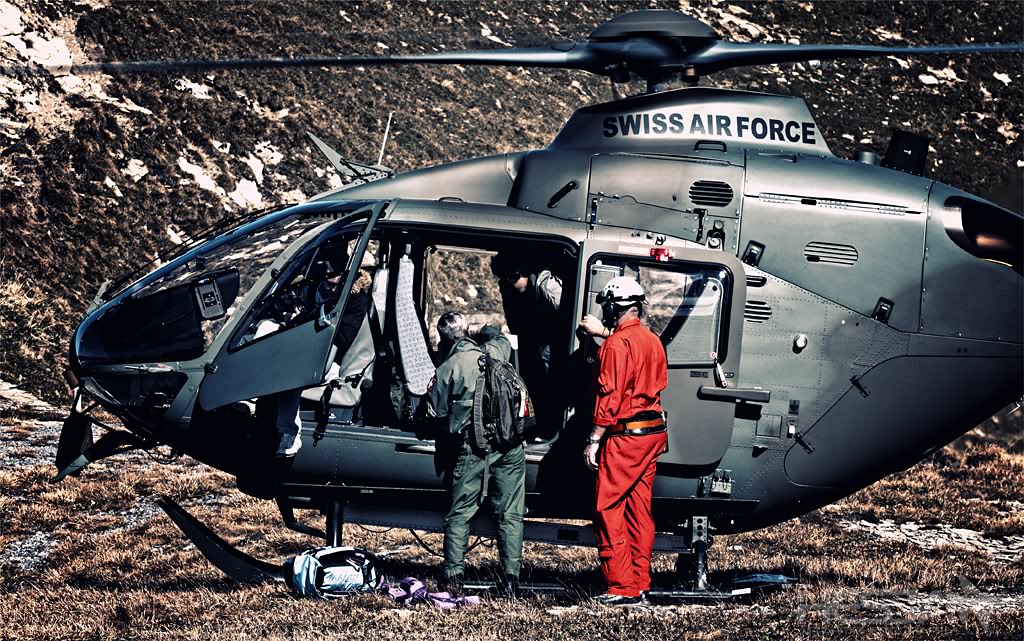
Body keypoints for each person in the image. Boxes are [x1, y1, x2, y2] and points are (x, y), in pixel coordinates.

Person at [578, 276, 668, 606]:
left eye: (607, 307)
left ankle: (621, 586)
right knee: (638, 509)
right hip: (653, 433)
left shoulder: (616, 346)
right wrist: (603, 335)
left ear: (614, 307)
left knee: (607, 507)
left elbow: (609, 397)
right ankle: (640, 581)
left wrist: (594, 439)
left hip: (625, 437)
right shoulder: (651, 340)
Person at [426, 311, 526, 596]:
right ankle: (510, 580)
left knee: (459, 515)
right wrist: (486, 329)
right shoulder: (495, 350)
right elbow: (501, 338)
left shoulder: (450, 367)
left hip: (475, 448)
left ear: (442, 339)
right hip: (510, 446)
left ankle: (454, 577)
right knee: (510, 514)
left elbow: (437, 412)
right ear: (468, 330)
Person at [271, 247, 370, 457]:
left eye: (336, 286)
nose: (331, 290)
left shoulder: (356, 300)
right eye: (327, 284)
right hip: (309, 351)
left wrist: (311, 326)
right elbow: (304, 314)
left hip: (331, 361)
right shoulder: (323, 294)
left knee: (290, 376)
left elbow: (342, 338)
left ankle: (290, 433)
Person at [490, 251, 562, 426]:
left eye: (507, 279)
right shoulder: (511, 292)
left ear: (517, 274)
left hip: (548, 343)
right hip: (530, 343)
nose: (503, 284)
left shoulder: (547, 288)